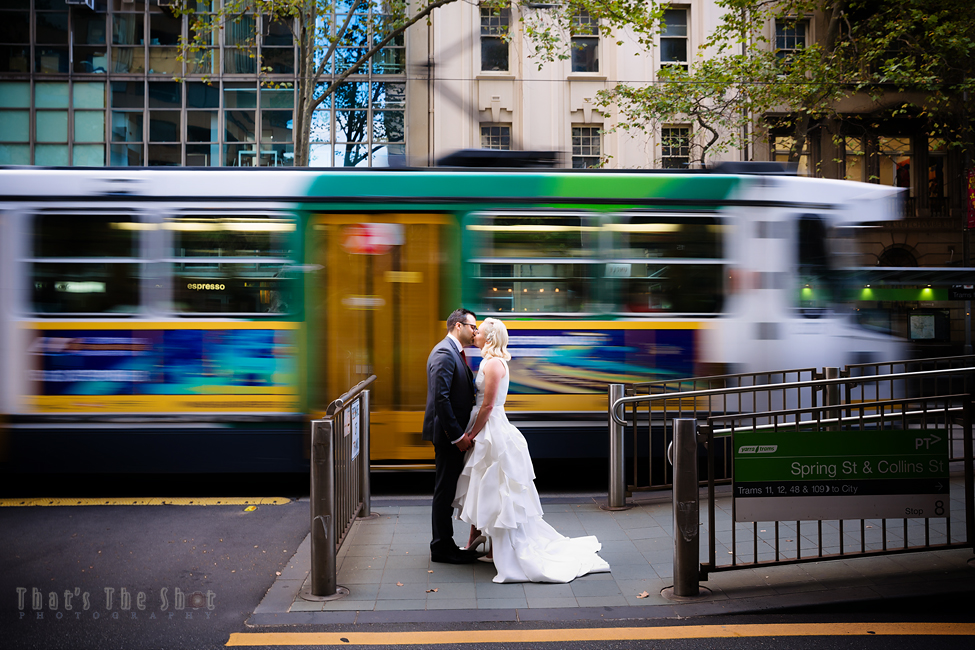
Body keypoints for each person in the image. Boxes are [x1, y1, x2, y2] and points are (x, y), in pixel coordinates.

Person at [453, 318, 610, 583]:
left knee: (494, 488)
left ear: (489, 338)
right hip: (490, 429)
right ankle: (478, 540)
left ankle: (491, 547)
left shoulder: (492, 364)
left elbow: (488, 406)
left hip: (491, 429)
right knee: (484, 486)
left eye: (479, 332)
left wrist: (471, 434)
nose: (475, 334)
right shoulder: (493, 361)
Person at [422, 308, 483, 564]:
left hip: (452, 433)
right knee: (444, 490)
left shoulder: (453, 352)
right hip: (449, 436)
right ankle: (441, 547)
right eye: (472, 326)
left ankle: (445, 544)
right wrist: (458, 437)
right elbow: (441, 399)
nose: (475, 331)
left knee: (446, 490)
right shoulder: (445, 353)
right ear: (458, 325)